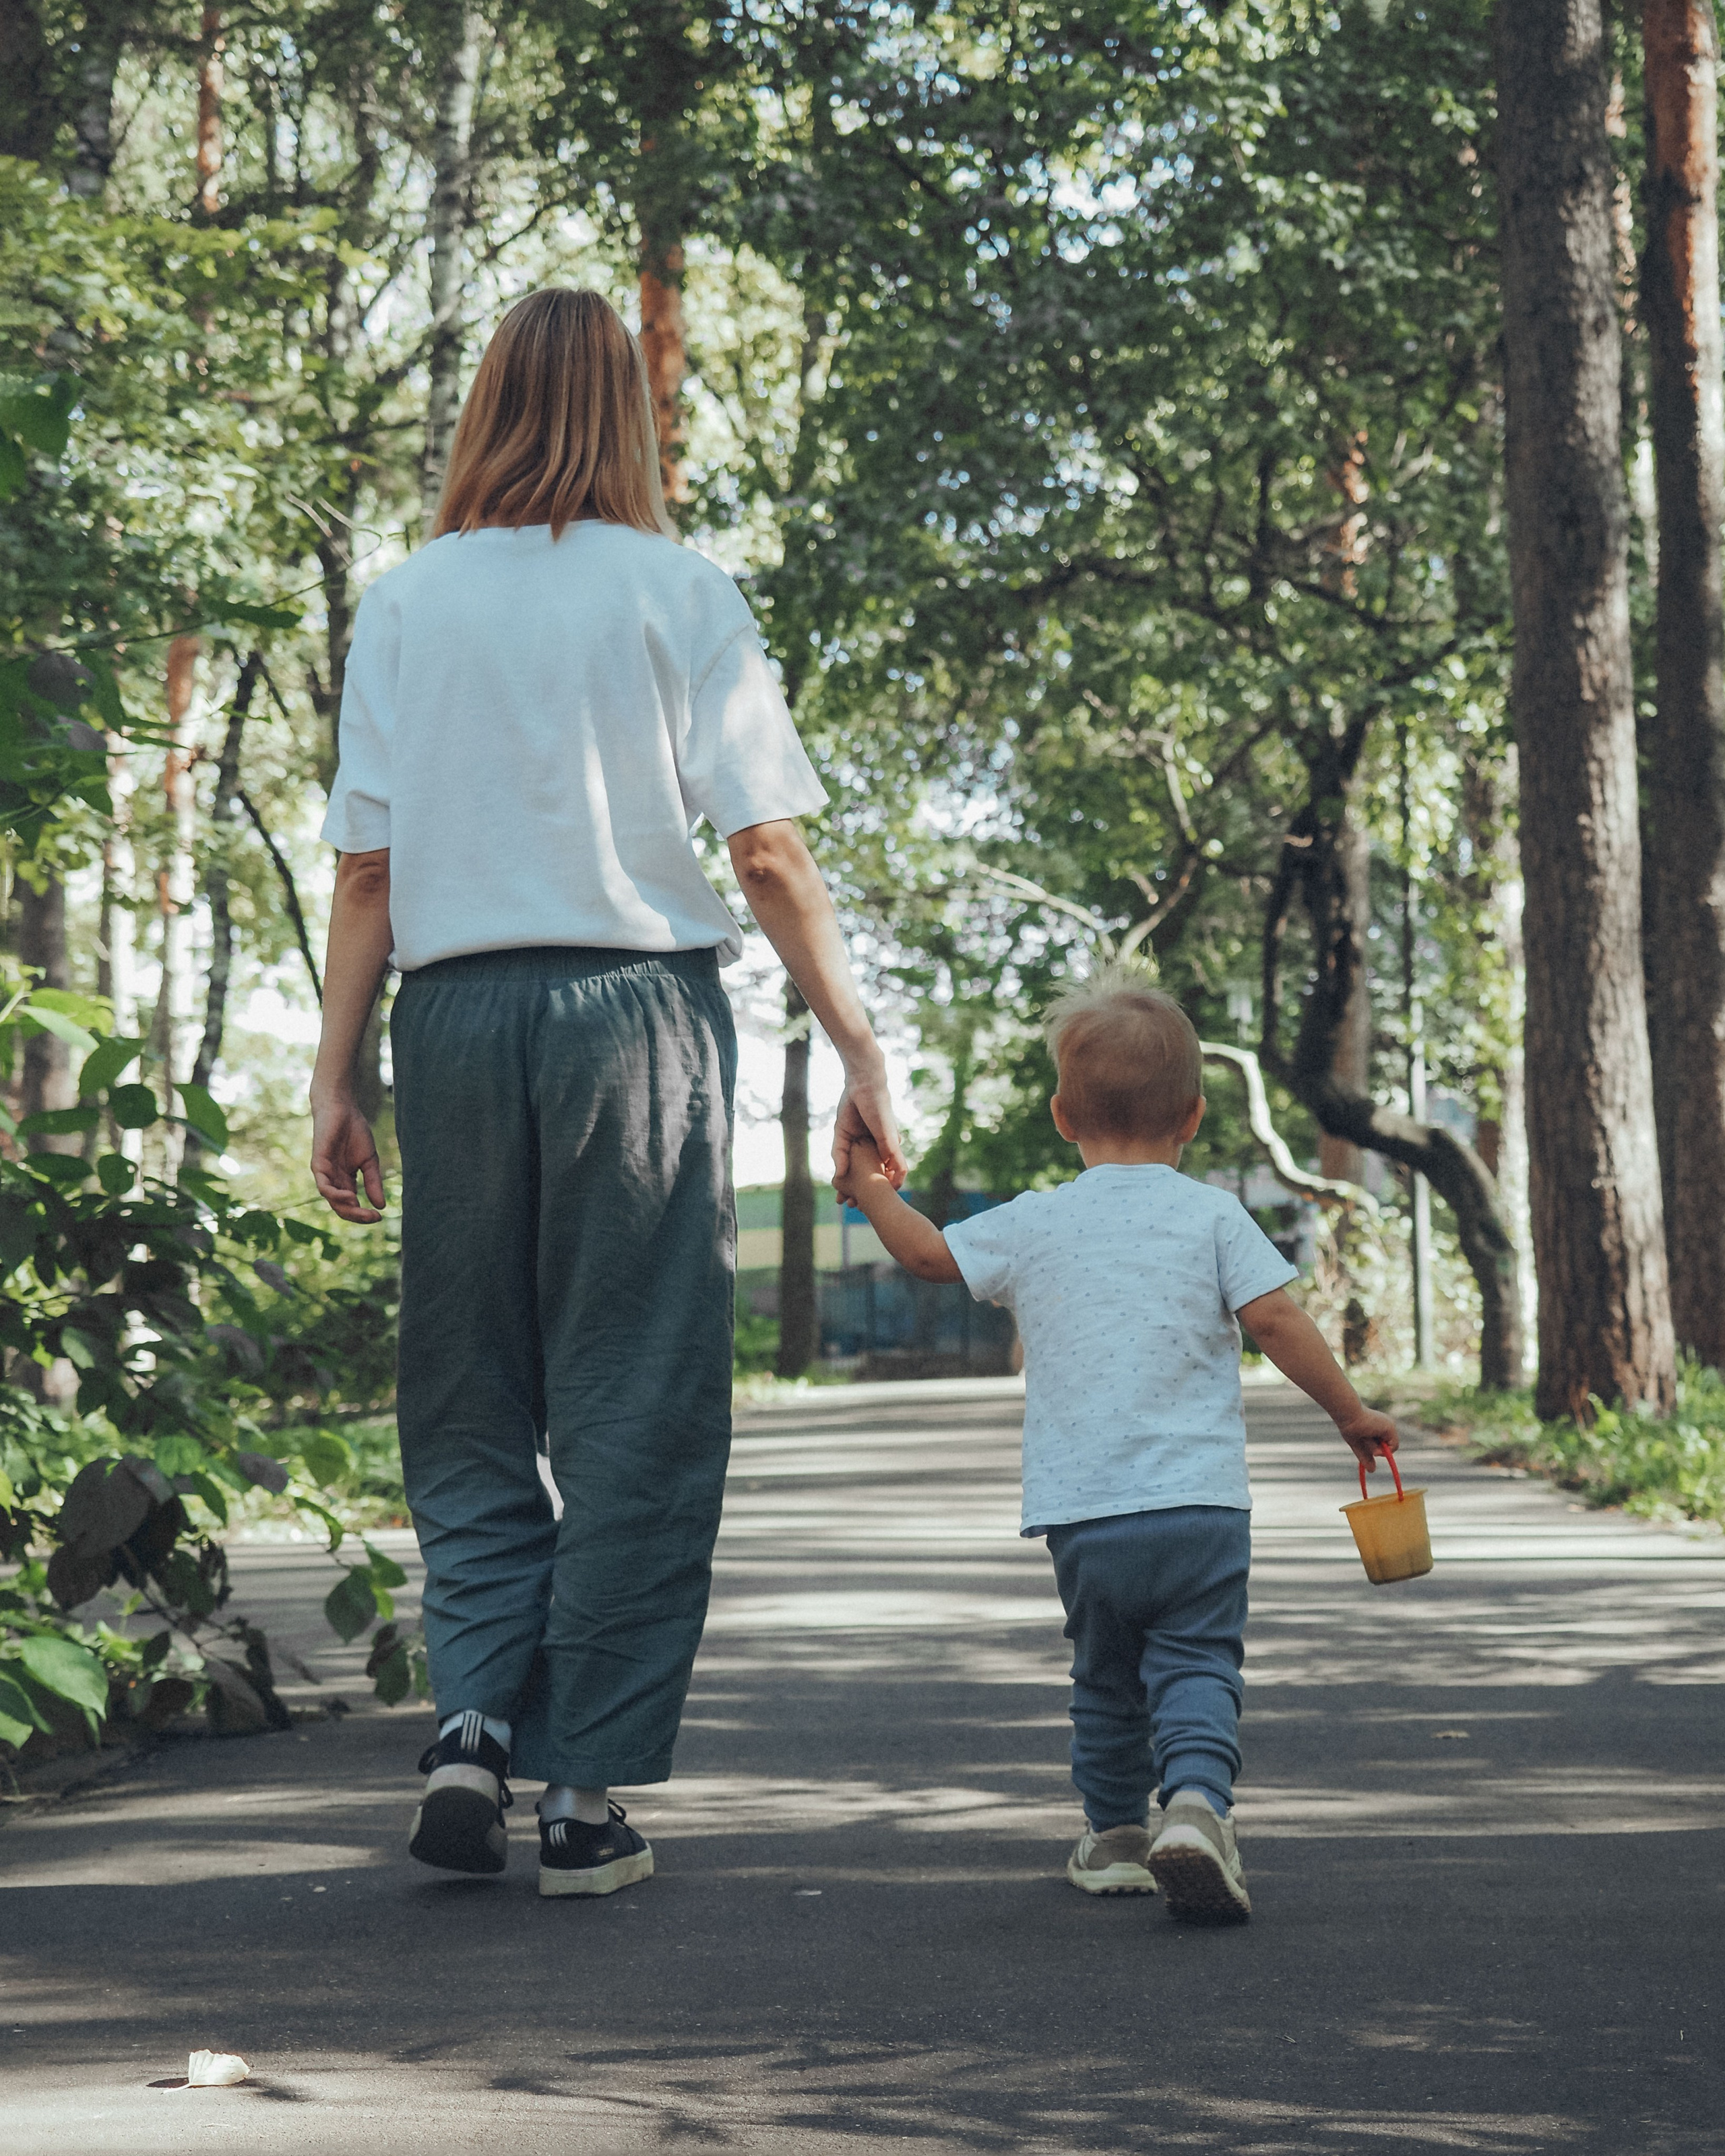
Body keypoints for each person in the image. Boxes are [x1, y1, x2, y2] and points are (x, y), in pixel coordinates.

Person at [309, 287, 904, 1899]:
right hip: (635, 1017)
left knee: (468, 1387)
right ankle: (580, 1800)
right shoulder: (679, 588)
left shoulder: (406, 600)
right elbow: (764, 851)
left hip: (450, 1019)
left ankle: (469, 1721)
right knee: (635, 1393)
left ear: (486, 406)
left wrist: (335, 1076)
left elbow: (366, 872)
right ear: (628, 413)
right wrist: (857, 1044)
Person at [833, 968, 1398, 1923]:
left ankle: (1115, 1838)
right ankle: (1197, 1806)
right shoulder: (1214, 1216)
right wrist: (1350, 1413)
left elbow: (926, 1253)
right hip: (1201, 1508)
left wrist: (866, 1183)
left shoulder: (1036, 1220)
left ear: (1063, 1117)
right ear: (1193, 1118)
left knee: (1105, 1678)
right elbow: (1277, 1321)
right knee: (1199, 1662)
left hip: (1086, 1514)